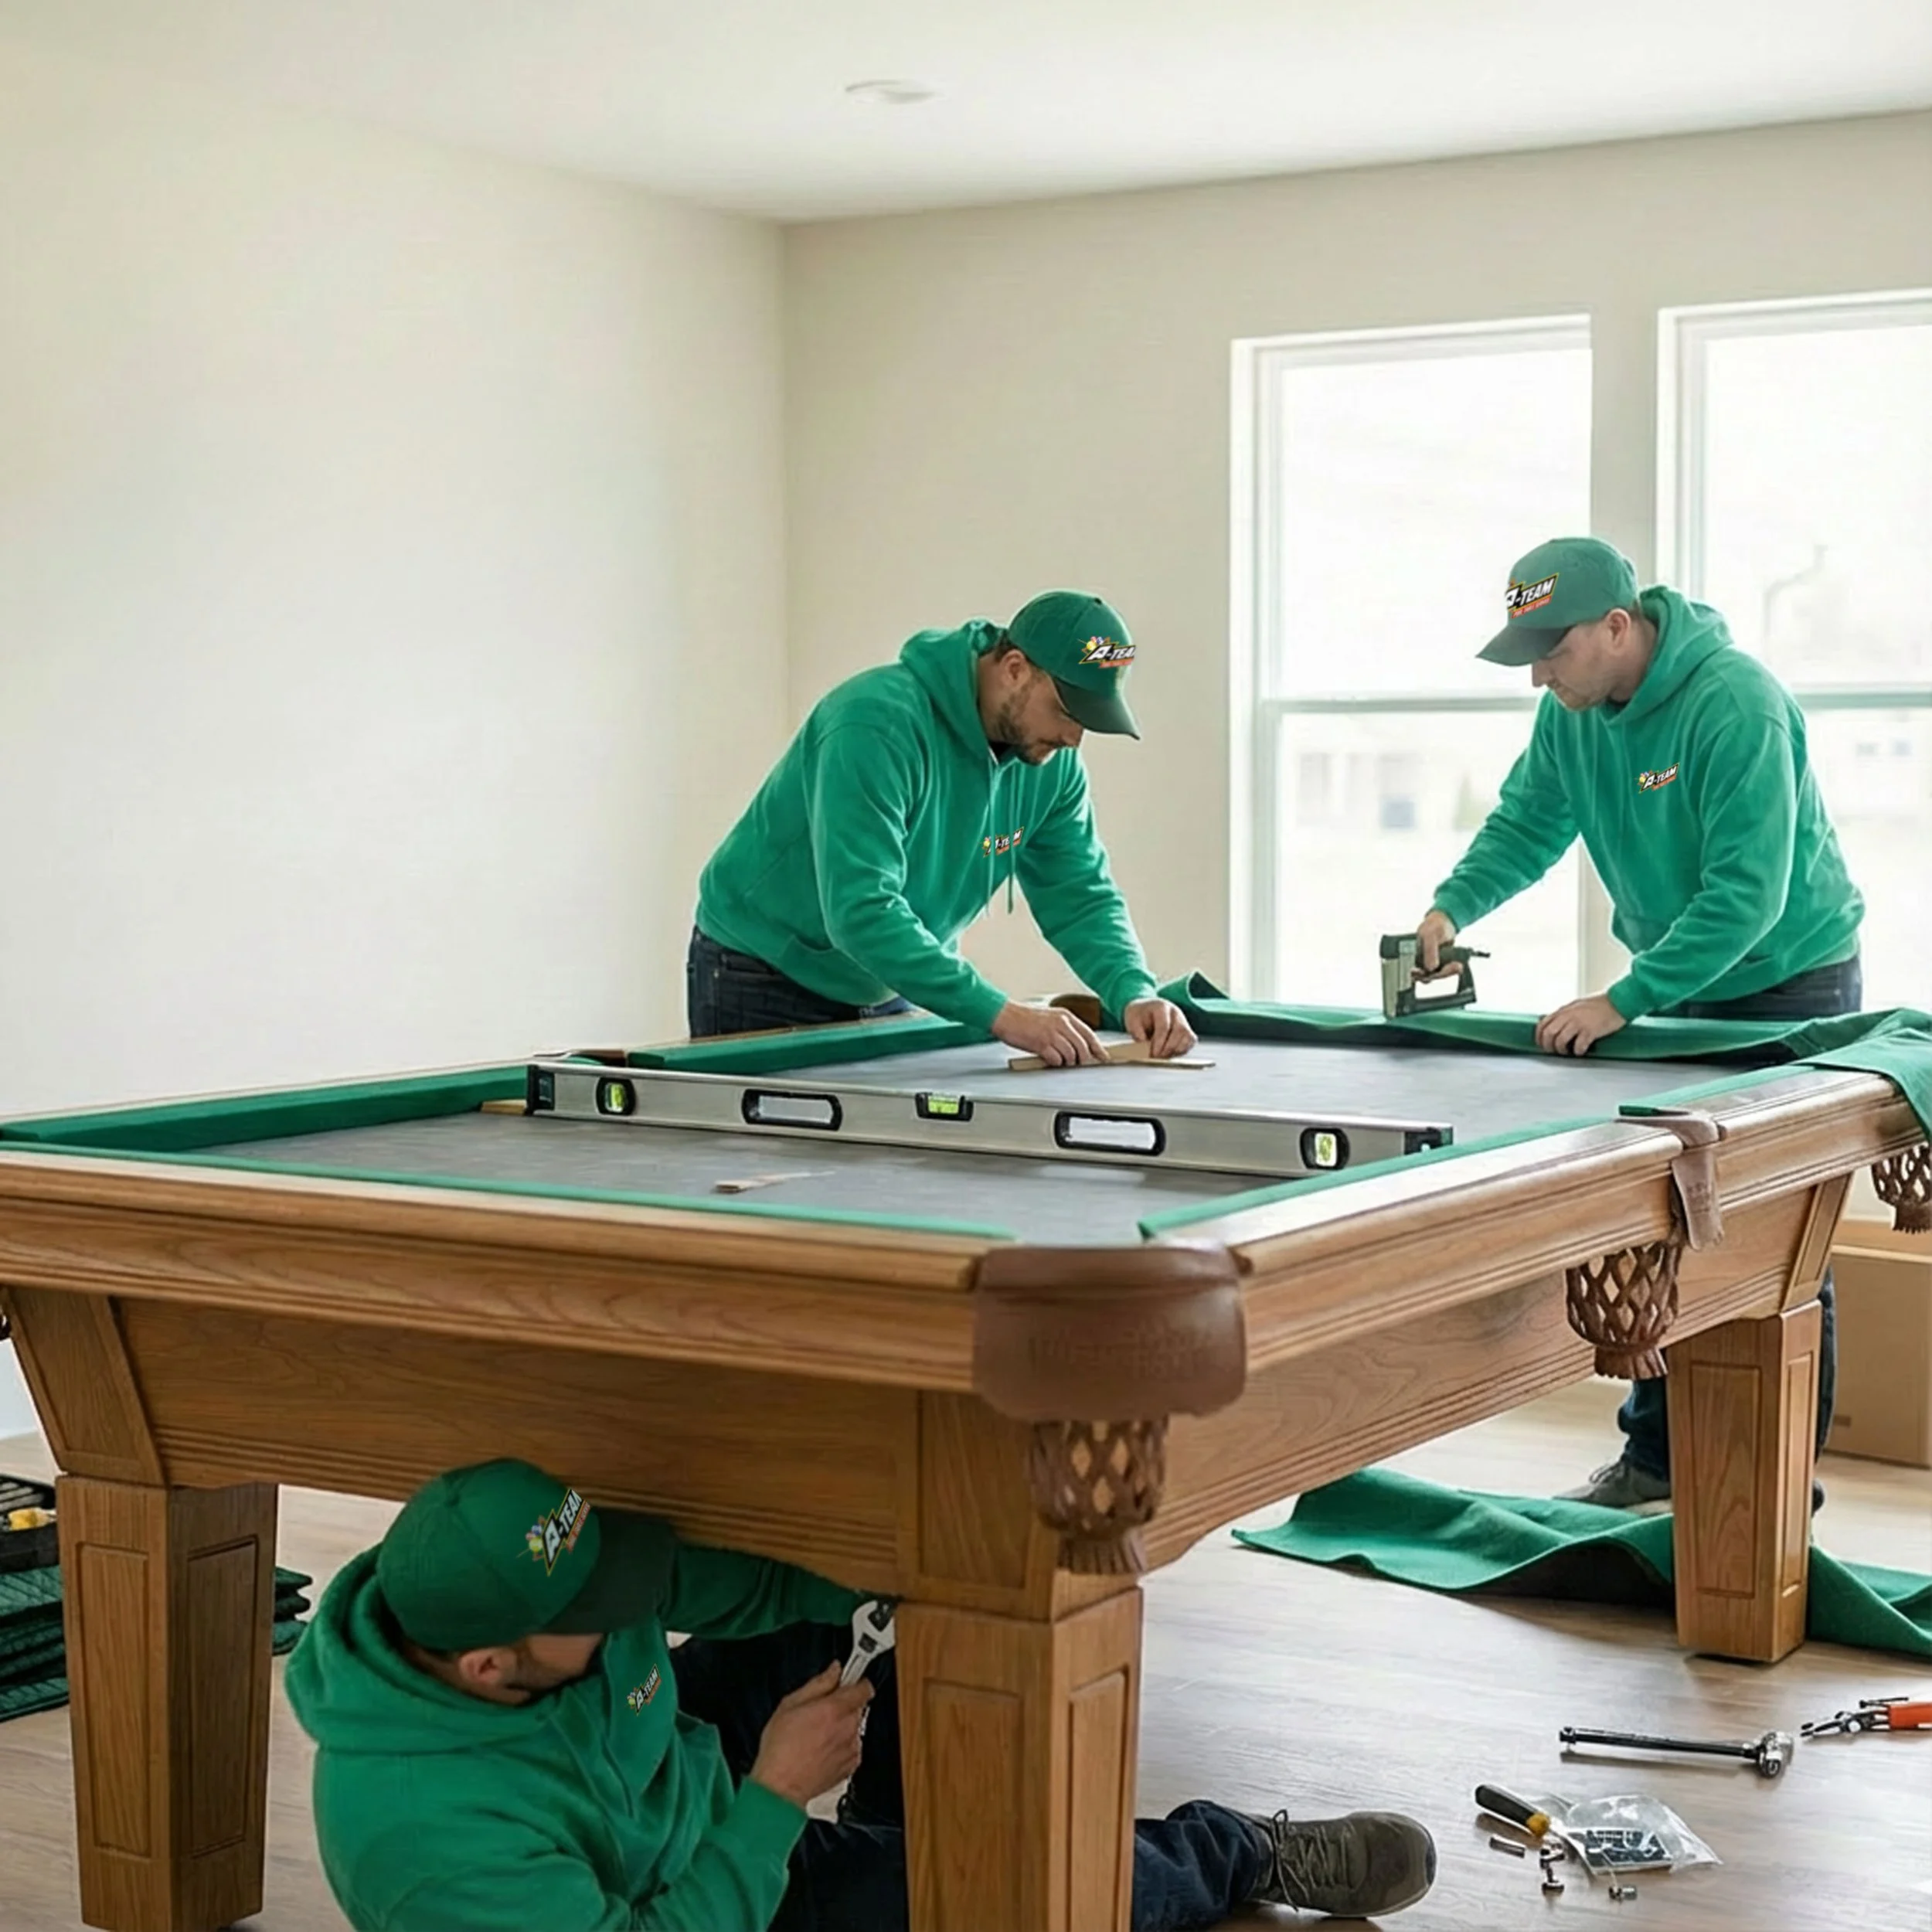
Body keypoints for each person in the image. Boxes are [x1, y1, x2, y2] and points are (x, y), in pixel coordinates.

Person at [285, 1458, 1438, 1930]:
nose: (632, 1602)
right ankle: (1232, 1853)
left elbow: (729, 1587)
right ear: (491, 1669)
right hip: (703, 1888)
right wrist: (775, 1799)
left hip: (659, 1774)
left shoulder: (525, 1596)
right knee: (1015, 1902)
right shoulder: (426, 1847)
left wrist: (902, 1579)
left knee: (838, 1606)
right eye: (601, 1611)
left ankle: (919, 1826)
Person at [1413, 536, 1863, 1511]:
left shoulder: (1733, 703)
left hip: (1788, 981)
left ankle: (1782, 1483)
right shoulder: (1571, 713)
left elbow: (1746, 896)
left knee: (1780, 1233)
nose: (1539, 673)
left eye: (1553, 649)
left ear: (1619, 626)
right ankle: (1654, 1466)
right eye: (1526, 654)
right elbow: (1527, 822)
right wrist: (1452, 909)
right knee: (1663, 1221)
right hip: (1679, 980)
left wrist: (1620, 999)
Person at [688, 590, 1196, 1067]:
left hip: (887, 979)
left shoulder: (1052, 766)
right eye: (1066, 712)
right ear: (1016, 669)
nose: (1072, 737)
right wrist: (1003, 1014)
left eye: (1090, 720)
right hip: (761, 971)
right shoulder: (873, 725)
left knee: (886, 1161)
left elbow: (1080, 895)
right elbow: (860, 909)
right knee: (765, 1161)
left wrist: (1134, 989)